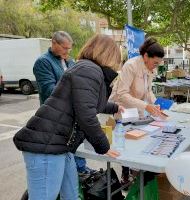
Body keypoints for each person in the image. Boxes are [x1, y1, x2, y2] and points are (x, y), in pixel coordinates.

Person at [14, 34, 122, 200]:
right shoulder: (89, 70)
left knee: (71, 195)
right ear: (108, 55)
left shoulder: (86, 68)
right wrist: (104, 146)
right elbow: (86, 114)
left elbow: (85, 101)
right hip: (46, 145)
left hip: (60, 145)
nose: (117, 63)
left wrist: (114, 107)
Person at [109, 37, 165, 185]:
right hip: (122, 108)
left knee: (138, 139)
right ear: (146, 56)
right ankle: (125, 175)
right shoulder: (131, 66)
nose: (156, 66)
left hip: (138, 107)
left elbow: (147, 91)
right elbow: (122, 94)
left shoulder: (151, 68)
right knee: (124, 142)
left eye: (158, 63)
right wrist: (145, 106)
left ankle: (138, 172)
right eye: (155, 62)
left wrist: (155, 103)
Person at [33, 31, 90, 174]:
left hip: (72, 116)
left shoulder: (70, 62)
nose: (68, 51)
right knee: (62, 152)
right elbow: (49, 91)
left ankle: (81, 171)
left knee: (76, 147)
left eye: (69, 48)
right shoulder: (43, 62)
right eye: (65, 48)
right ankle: (72, 175)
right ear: (53, 43)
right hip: (54, 117)